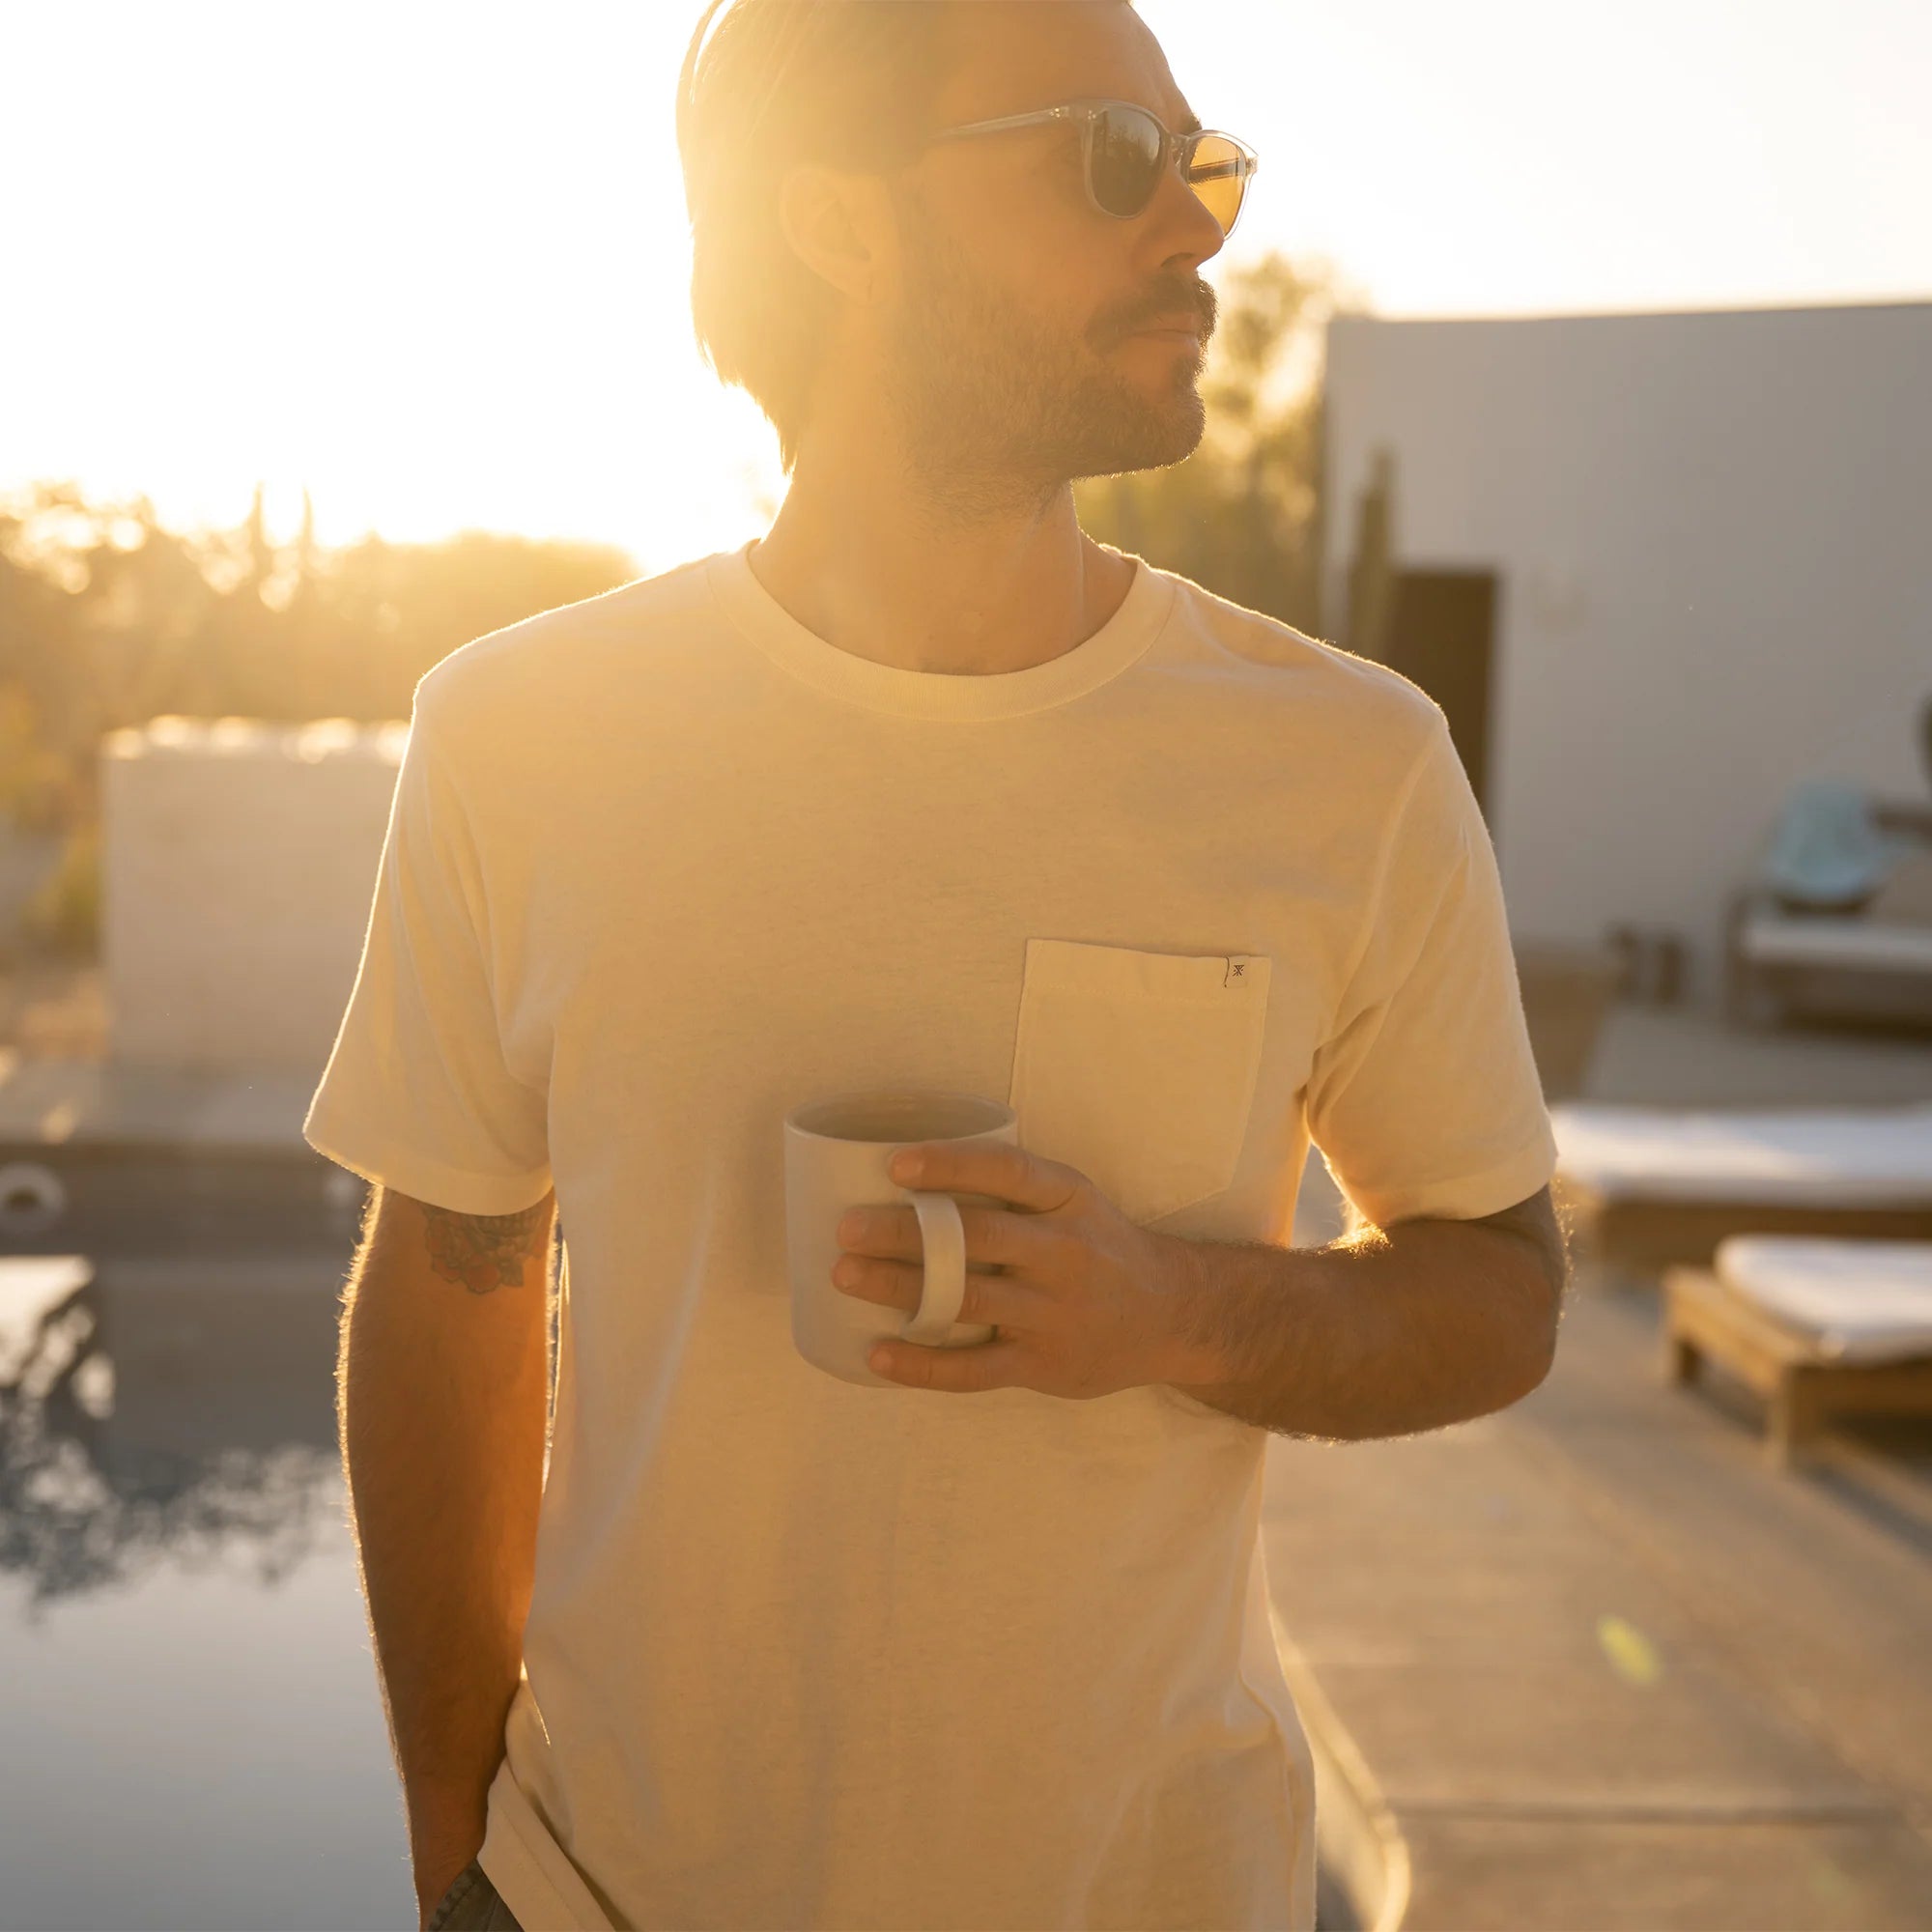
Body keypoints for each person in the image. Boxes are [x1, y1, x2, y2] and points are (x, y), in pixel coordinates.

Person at [305, 4, 1570, 1928]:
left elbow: (1500, 1289)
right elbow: (450, 1271)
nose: (1196, 226)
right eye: (1111, 159)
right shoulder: (520, 737)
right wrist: (451, 1843)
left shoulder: (1346, 763)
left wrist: (1171, 1308)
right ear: (835, 220)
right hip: (614, 1891)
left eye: (1202, 162)